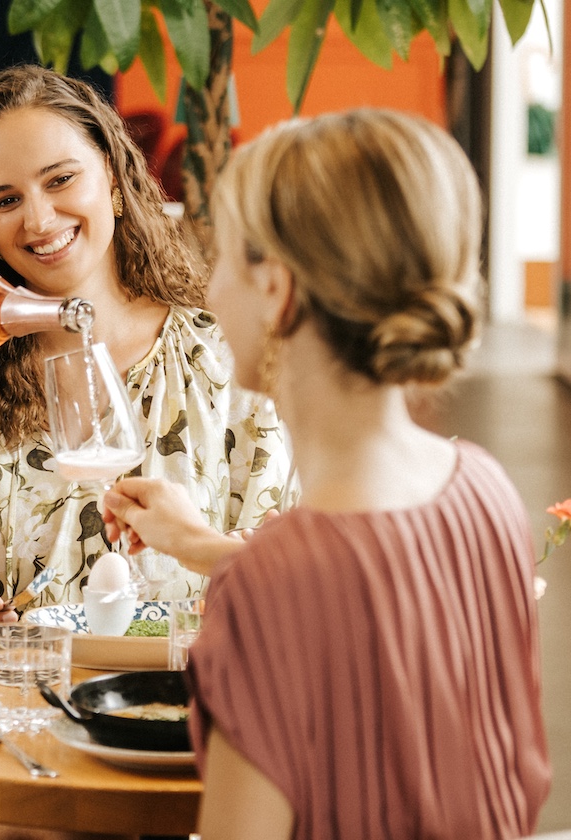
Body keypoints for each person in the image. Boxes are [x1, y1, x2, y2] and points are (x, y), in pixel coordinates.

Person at [103, 109, 551, 839]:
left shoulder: (271, 589)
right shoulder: (484, 489)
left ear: (276, 291)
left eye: (222, 257)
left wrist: (245, 574)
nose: (209, 291)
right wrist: (202, 546)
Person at [0, 65, 292, 612]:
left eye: (60, 180)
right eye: (5, 201)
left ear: (112, 174)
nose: (39, 220)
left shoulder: (228, 362)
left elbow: (283, 596)